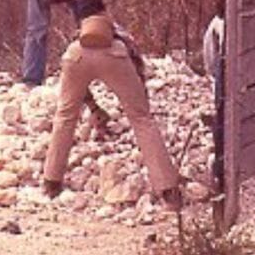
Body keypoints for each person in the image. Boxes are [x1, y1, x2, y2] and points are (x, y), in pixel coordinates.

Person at [41, 36, 183, 211]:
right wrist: (141, 100)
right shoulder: (122, 37)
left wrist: (94, 109)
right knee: (142, 119)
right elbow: (138, 67)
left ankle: (51, 182)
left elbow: (78, 85)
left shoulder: (76, 37)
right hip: (114, 54)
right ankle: (168, 190)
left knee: (65, 116)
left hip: (76, 55)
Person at [203, 0, 225, 184]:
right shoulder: (217, 26)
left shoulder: (219, 25)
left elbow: (209, 57)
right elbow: (210, 54)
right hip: (224, 74)